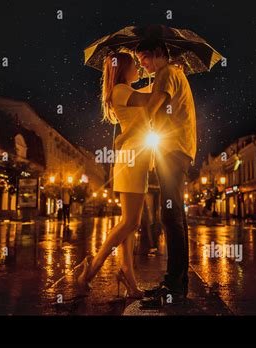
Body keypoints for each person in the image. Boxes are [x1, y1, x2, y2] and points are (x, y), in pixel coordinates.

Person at [77, 52, 153, 298]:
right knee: (130, 222)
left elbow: (148, 93)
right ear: (123, 69)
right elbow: (151, 100)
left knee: (129, 223)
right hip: (131, 160)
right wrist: (166, 77)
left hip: (136, 159)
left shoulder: (126, 90)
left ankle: (128, 277)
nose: (138, 70)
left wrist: (169, 74)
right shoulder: (120, 91)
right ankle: (91, 269)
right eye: (135, 66)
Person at [135, 39, 197, 308]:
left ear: (158, 53)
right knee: (174, 216)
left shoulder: (167, 74)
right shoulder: (172, 73)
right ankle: (177, 283)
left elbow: (152, 106)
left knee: (170, 216)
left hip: (172, 150)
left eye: (144, 58)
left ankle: (175, 285)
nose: (142, 65)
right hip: (177, 149)